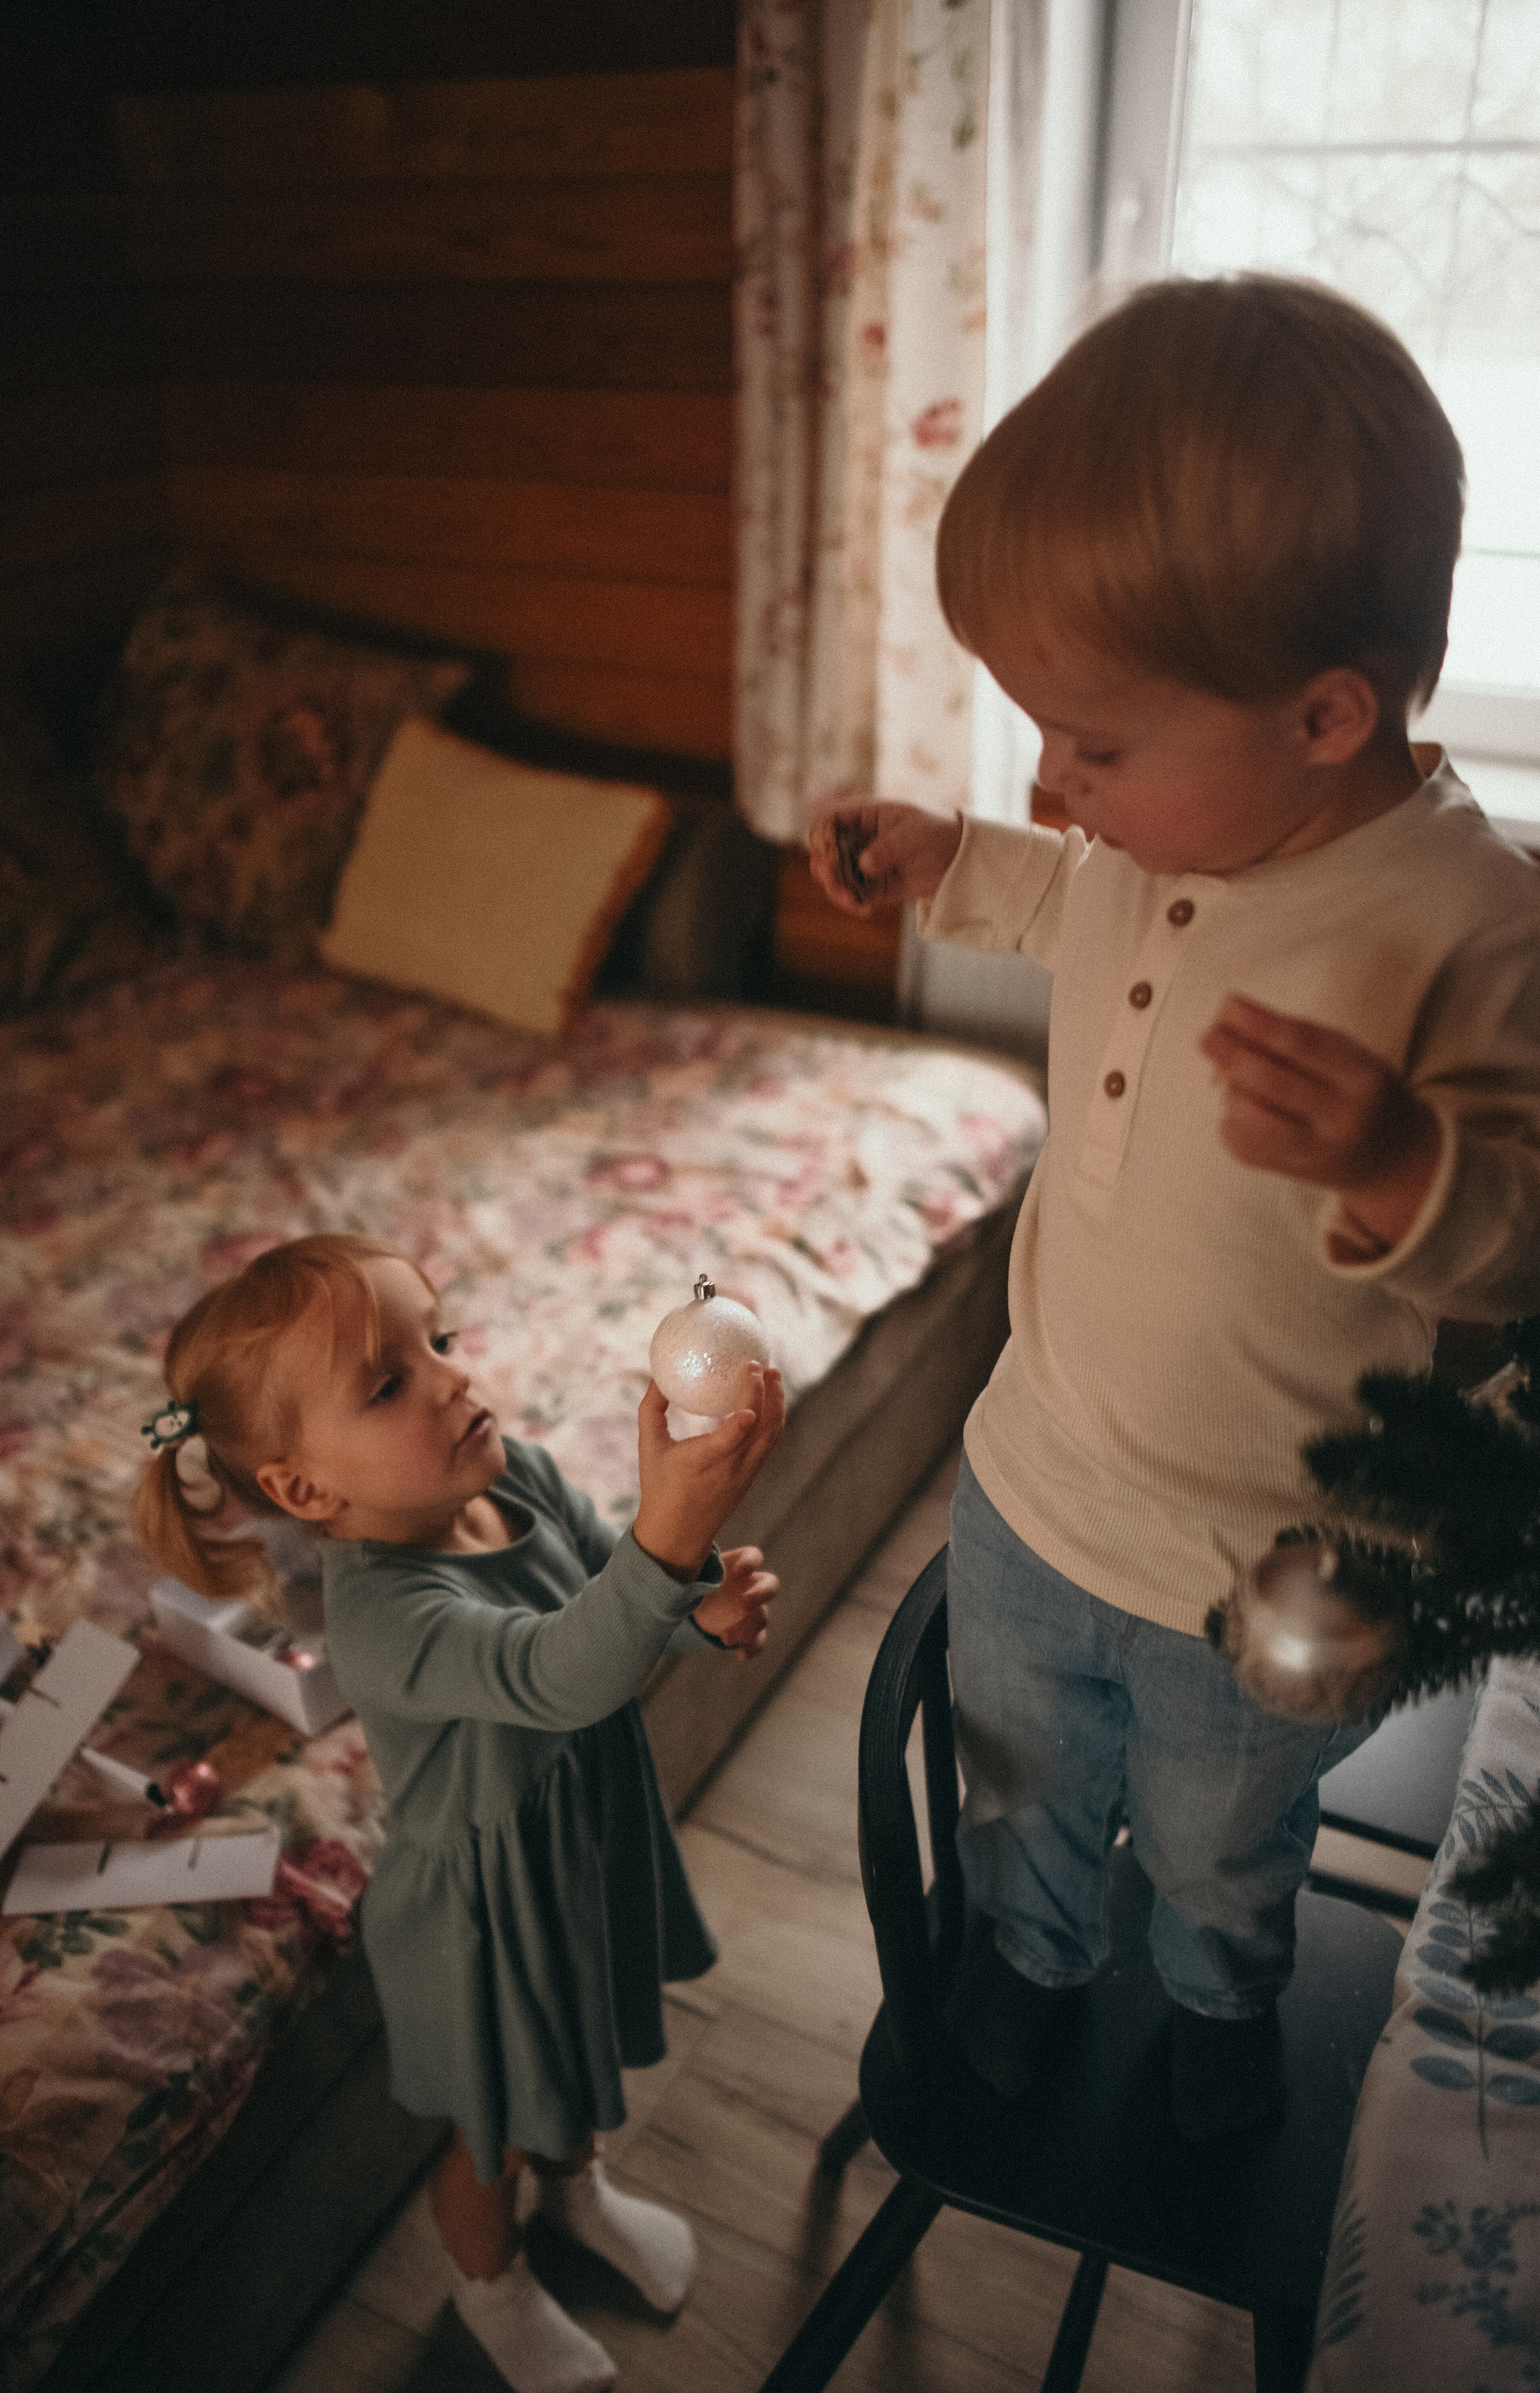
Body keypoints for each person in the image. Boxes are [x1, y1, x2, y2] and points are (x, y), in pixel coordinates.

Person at [809, 273, 1540, 2141]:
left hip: (1284, 1549)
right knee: (1018, 1773)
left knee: (1228, 1825)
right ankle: (1036, 1965)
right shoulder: (1158, 839)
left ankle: (1221, 1999)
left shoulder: (1472, 922)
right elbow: (1073, 901)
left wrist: (1401, 1166)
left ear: (1323, 715)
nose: (1056, 776)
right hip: (1040, 1473)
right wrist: (955, 859)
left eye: (1093, 742)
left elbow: (1525, 1246)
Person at [134, 1232, 784, 2393]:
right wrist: (672, 1531)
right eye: (389, 1382)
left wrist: (696, 1607)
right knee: (499, 2127)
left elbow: (606, 1586)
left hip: (575, 1835)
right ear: (301, 1488)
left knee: (576, 2066)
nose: (449, 1376)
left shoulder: (512, 1472)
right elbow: (556, 1672)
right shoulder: (382, 1616)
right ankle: (490, 2290)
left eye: (437, 1336)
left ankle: (578, 2196)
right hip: (483, 1914)